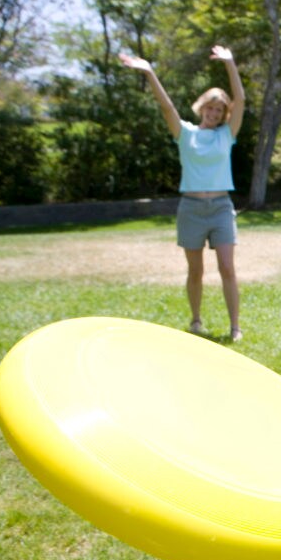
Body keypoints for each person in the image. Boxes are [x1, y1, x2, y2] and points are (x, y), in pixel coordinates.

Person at [120, 46, 246, 342]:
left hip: (220, 208)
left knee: (227, 268)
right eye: (210, 108)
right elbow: (167, 107)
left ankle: (235, 327)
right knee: (195, 271)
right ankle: (196, 320)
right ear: (202, 108)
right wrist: (149, 72)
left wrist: (230, 63)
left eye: (219, 110)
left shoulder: (226, 135)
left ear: (224, 114)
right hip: (191, 208)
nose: (213, 113)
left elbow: (240, 99)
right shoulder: (185, 133)